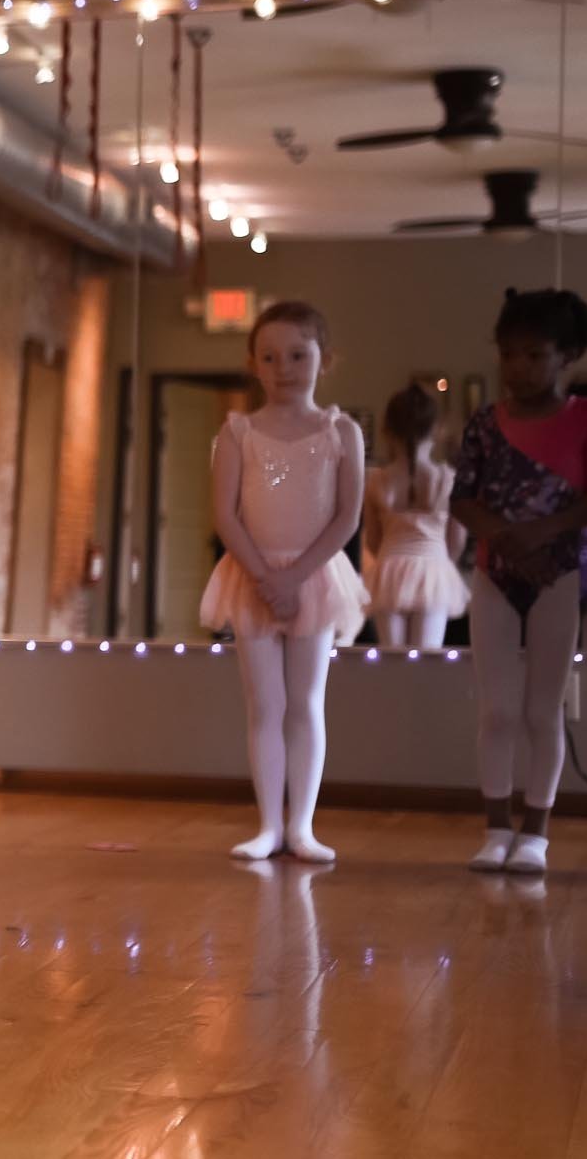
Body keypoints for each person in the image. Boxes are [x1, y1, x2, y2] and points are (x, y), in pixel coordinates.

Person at [200, 301, 368, 863]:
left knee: (306, 702)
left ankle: (303, 827)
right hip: (251, 572)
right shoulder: (237, 433)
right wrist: (266, 577)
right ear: (253, 364)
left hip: (315, 577)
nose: (285, 366)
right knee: (264, 704)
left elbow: (346, 516)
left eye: (298, 354)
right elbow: (225, 516)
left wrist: (295, 577)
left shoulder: (342, 431)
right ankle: (269, 825)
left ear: (326, 359)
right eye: (270, 357)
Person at [452, 288, 587, 876]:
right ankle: (495, 826)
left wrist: (544, 534)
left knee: (541, 709)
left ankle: (536, 829)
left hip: (557, 576)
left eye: (535, 355)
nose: (519, 367)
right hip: (494, 575)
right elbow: (462, 498)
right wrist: (508, 539)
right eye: (510, 355)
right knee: (497, 709)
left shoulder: (584, 418)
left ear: (569, 355)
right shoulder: (486, 423)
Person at [363, 383, 470, 648]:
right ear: (437, 429)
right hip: (432, 569)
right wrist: (437, 561)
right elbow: (456, 541)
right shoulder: (447, 479)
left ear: (387, 431)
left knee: (393, 659)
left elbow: (373, 542)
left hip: (390, 571)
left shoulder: (377, 481)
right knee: (427, 657)